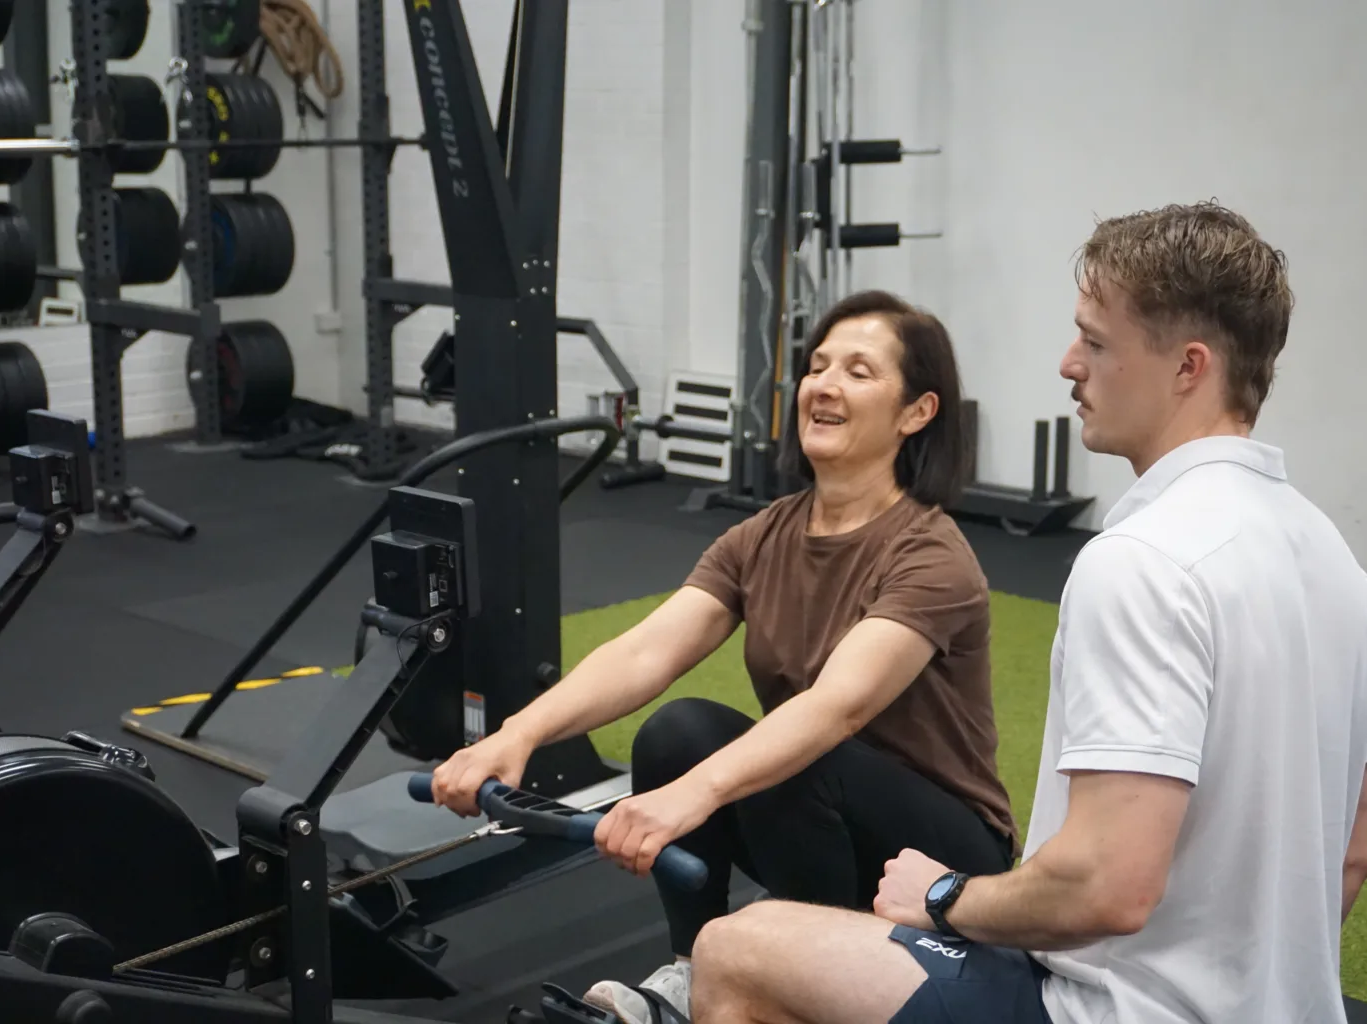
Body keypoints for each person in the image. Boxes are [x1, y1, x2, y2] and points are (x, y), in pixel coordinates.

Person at [687, 201, 1367, 1024]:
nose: (1069, 364)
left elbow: (1106, 887)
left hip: (1100, 1011)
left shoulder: (1143, 561)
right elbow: (1352, 858)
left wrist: (946, 894)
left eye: (1094, 342)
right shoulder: (1338, 565)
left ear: (1188, 367)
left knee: (736, 949)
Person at [430, 289, 1020, 1024]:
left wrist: (696, 795)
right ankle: (693, 968)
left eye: (860, 371)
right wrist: (516, 736)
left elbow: (839, 706)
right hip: (822, 816)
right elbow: (648, 651)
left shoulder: (931, 554)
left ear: (916, 412)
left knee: (784, 755)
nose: (825, 386)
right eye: (818, 367)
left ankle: (808, 977)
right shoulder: (766, 534)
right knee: (681, 730)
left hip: (948, 858)